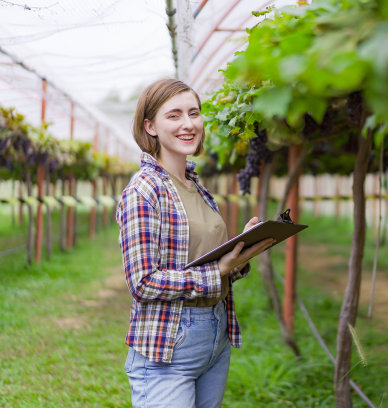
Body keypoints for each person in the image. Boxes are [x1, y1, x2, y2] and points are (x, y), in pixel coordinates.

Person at [116, 78, 274, 408]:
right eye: (174, 116)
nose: (189, 124)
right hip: (168, 344)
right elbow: (142, 282)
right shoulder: (144, 191)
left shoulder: (197, 188)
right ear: (151, 126)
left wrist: (239, 256)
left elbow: (206, 264)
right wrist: (218, 271)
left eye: (194, 113)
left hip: (214, 336)